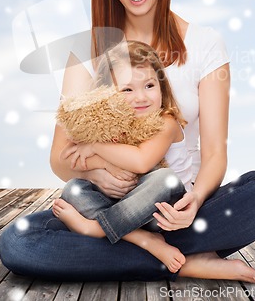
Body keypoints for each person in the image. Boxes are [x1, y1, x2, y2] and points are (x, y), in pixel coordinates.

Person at [0, 0, 255, 283]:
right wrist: (95, 173)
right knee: (18, 242)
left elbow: (215, 153)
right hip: (109, 206)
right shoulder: (85, 53)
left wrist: (195, 202)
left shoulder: (205, 44)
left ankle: (142, 247)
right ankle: (182, 260)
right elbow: (60, 158)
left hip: (179, 207)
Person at [53, 40, 195, 273]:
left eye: (149, 85)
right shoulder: (111, 127)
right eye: (127, 90)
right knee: (73, 189)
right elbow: (69, 157)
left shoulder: (166, 122)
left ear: (162, 86)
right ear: (107, 96)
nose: (141, 97)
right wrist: (97, 161)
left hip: (165, 212)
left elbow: (141, 162)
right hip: (127, 212)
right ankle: (142, 240)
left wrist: (96, 147)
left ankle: (96, 229)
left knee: (164, 178)